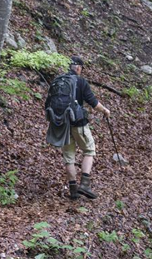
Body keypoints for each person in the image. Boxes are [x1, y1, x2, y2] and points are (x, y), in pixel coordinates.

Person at [48, 56, 110, 200]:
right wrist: (105, 110)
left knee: (69, 158)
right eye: (81, 68)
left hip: (62, 124)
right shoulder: (81, 81)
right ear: (78, 68)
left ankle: (73, 190)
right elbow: (93, 102)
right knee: (89, 149)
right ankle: (85, 184)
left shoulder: (58, 81)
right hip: (78, 123)